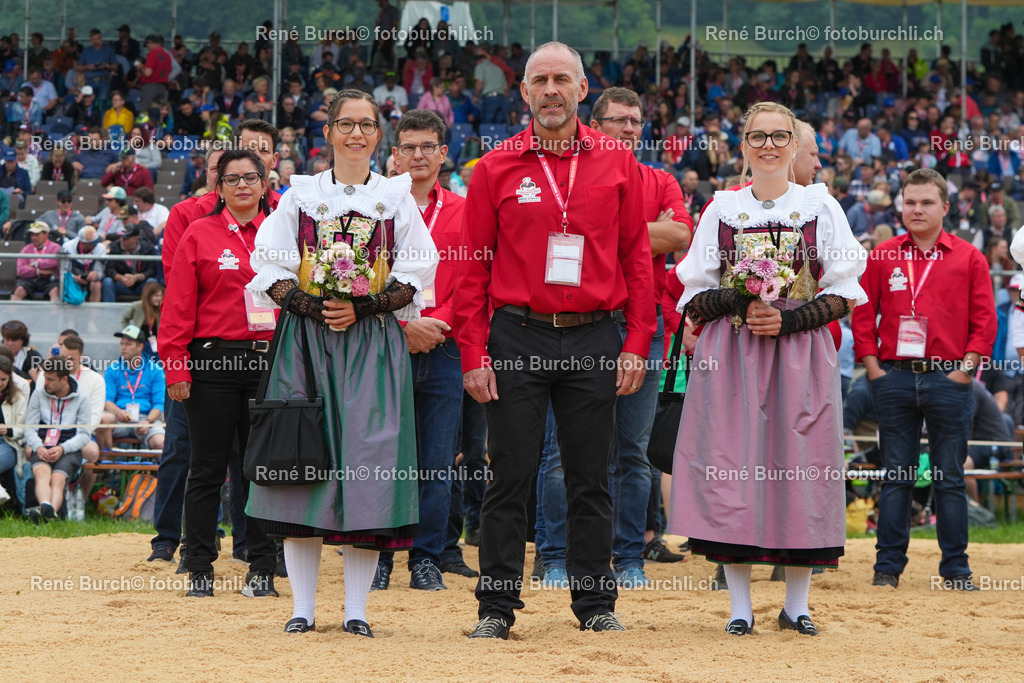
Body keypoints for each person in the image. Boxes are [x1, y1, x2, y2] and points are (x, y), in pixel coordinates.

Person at [454, 42, 655, 639]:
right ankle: (496, 607)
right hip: (517, 334)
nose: (550, 90)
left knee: (592, 474)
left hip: (595, 335)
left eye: (561, 80)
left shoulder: (619, 162)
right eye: (539, 80)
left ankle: (595, 604)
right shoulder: (494, 168)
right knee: (510, 474)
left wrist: (637, 339)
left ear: (582, 89)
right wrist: (473, 353)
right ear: (523, 92)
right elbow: (471, 271)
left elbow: (637, 259)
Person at [246, 89, 437, 635]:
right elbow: (269, 263)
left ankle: (356, 610)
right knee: (300, 465)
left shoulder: (398, 198)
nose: (356, 134)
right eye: (346, 124)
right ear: (327, 132)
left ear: (380, 136)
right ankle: (302, 608)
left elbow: (419, 267)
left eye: (367, 125)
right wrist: (311, 304)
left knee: (368, 467)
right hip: (304, 342)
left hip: (372, 343)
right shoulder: (299, 196)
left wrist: (365, 306)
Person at [672, 101, 867, 636]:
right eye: (758, 137)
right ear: (743, 145)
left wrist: (793, 319)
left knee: (801, 466)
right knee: (732, 466)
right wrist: (739, 303)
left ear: (794, 144)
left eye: (780, 136)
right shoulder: (722, 209)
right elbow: (692, 293)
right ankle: (739, 606)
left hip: (800, 353)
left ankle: (797, 604)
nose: (769, 146)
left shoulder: (820, 208)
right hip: (733, 351)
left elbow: (846, 289)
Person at [854, 168, 996, 592]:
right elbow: (863, 314)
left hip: (948, 378)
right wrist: (874, 367)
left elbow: (984, 321)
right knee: (896, 475)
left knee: (948, 477)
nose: (916, 209)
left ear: (945, 208)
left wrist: (965, 370)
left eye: (926, 202)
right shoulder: (881, 255)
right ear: (901, 205)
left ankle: (955, 570)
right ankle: (887, 569)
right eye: (909, 202)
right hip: (894, 377)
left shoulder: (970, 257)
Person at [160, 148, 280, 599]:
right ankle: (198, 569)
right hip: (212, 362)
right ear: (220, 187)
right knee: (207, 469)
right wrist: (177, 366)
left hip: (270, 362)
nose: (243, 185)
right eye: (233, 179)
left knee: (264, 471)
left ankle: (263, 568)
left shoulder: (284, 233)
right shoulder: (199, 233)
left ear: (265, 184)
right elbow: (176, 307)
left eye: (252, 177)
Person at [373, 110, 470, 591]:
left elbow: (473, 282)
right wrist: (402, 326)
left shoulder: (463, 211)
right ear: (394, 154)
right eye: (408, 147)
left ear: (442, 153)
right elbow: (359, 279)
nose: (417, 155)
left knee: (435, 459)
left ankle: (427, 557)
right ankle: (382, 555)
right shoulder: (375, 208)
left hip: (445, 346)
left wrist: (437, 323)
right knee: (384, 457)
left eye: (427, 146)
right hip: (385, 345)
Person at [23, 357, 92, 522]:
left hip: (69, 448)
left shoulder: (82, 398)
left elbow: (84, 435)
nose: (45, 382)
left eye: (50, 379)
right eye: (45, 377)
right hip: (43, 445)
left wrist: (63, 448)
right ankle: (48, 508)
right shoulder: (38, 394)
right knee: (41, 473)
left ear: (64, 379)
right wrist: (38, 447)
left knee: (58, 478)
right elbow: (29, 428)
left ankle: (48, 513)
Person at [45, 335, 105, 498]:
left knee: (92, 453)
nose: (66, 362)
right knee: (31, 450)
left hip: (80, 433)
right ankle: (41, 498)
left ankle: (81, 502)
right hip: (51, 431)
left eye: (71, 359)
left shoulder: (95, 380)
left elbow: (94, 419)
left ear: (82, 358)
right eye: (63, 358)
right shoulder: (48, 376)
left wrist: (69, 439)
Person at [96, 325, 165, 452]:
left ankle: (157, 472)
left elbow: (159, 404)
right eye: (122, 343)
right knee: (104, 420)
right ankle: (107, 467)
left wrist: (148, 422)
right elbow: (107, 401)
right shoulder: (113, 369)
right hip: (120, 417)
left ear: (140, 347)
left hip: (146, 418)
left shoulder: (155, 370)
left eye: (128, 344)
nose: (123, 347)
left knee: (161, 442)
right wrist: (118, 412)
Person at [0, 355, 29, 510]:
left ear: (9, 378)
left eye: (3, 379)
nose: (0, 383)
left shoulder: (18, 398)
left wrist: (8, 429)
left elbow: (24, 428)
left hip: (8, 443)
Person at [101, 225, 158, 301]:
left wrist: (136, 277)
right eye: (121, 237)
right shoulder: (115, 247)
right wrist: (120, 278)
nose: (122, 240)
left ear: (135, 239)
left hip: (140, 285)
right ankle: (108, 312)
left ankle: (150, 312)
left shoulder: (148, 248)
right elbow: (109, 269)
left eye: (126, 238)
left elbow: (152, 271)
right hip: (121, 284)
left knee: (152, 282)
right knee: (107, 282)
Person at [13, 222, 61, 302]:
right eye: (32, 235)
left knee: (55, 291)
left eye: (37, 235)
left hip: (50, 280)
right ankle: (10, 314)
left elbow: (54, 263)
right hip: (30, 280)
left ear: (46, 235)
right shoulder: (26, 249)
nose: (34, 238)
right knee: (19, 290)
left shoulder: (55, 247)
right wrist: (39, 271)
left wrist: (35, 264)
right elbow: (20, 270)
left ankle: (54, 314)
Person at [121, 281, 163, 359]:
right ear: (149, 296)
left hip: (156, 344)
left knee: (156, 366)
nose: (159, 298)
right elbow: (124, 318)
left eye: (160, 296)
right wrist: (128, 334)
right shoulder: (137, 306)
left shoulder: (161, 307)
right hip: (141, 344)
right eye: (156, 296)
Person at [63, 225, 106, 302]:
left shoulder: (100, 248)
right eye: (92, 243)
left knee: (96, 285)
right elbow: (65, 271)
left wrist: (96, 274)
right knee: (68, 283)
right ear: (83, 243)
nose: (95, 244)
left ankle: (94, 312)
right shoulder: (67, 247)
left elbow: (100, 271)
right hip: (73, 279)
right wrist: (74, 278)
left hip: (91, 280)